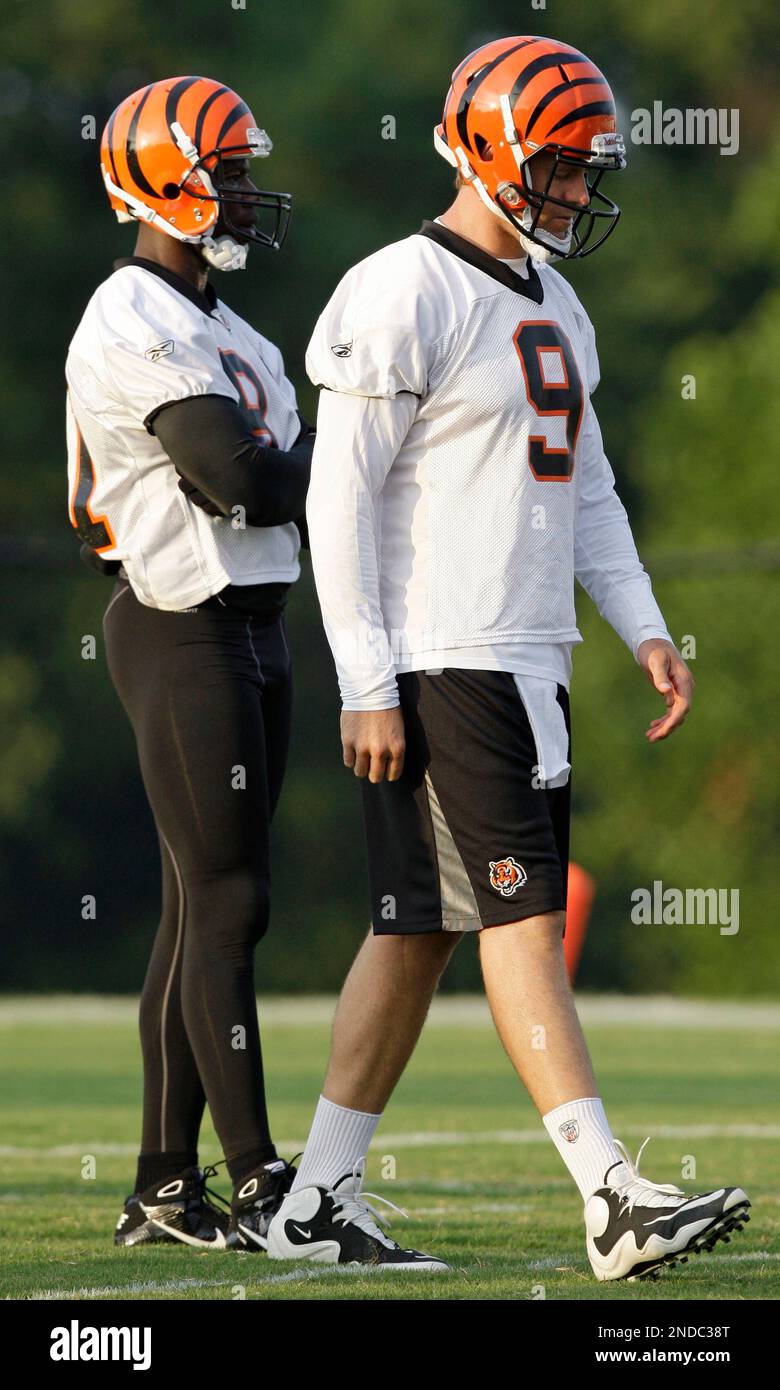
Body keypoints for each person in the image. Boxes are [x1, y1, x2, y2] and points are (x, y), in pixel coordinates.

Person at [265, 36, 750, 1281]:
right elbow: (339, 498)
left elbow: (587, 488)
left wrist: (642, 621)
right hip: (450, 654)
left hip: (521, 654)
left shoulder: (555, 298)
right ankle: (611, 1197)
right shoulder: (401, 289)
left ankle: (315, 1202)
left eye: (591, 172)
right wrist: (366, 675)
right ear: (487, 151)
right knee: (523, 921)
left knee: (417, 927)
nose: (581, 194)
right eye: (565, 170)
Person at [66, 76, 312, 1251]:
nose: (248, 193)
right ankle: (264, 1184)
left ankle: (164, 1186)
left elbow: (282, 480)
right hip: (180, 618)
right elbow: (246, 478)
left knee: (191, 909)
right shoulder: (130, 310)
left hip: (257, 623)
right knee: (230, 901)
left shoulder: (238, 332)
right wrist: (339, 468)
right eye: (228, 170)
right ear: (162, 178)